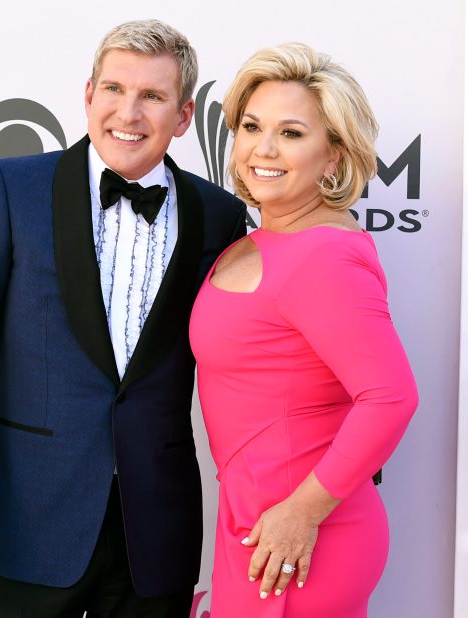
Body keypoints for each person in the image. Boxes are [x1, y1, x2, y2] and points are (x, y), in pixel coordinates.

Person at [0, 19, 246, 618]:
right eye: (115, 89)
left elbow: (247, 365)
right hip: (24, 526)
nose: (129, 111)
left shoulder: (219, 214)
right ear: (88, 94)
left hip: (157, 535)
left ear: (182, 116)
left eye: (152, 96)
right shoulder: (9, 188)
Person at [189, 43, 419, 617]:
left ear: (334, 156)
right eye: (251, 126)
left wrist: (302, 514)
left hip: (300, 536)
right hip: (255, 523)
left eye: (291, 133)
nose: (263, 149)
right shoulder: (257, 241)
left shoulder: (323, 256)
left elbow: (391, 397)